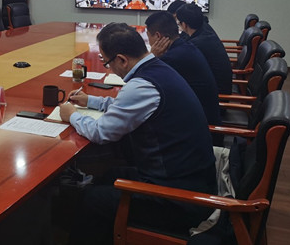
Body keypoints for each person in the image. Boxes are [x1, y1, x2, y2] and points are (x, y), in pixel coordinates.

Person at [58, 23, 216, 244]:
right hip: (190, 178)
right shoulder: (157, 68)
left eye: (107, 62)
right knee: (110, 175)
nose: (109, 69)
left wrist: (72, 115)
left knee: (92, 199)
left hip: (180, 200)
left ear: (122, 60)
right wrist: (91, 101)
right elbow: (128, 106)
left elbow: (101, 132)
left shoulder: (142, 85)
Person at [145, 11, 223, 145]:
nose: (149, 42)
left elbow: (143, 81)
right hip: (201, 121)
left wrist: (152, 56)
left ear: (158, 36)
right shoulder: (184, 46)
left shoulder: (172, 58)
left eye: (148, 38)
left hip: (199, 134)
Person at [176, 3, 233, 94]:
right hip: (217, 87)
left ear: (184, 24)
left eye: (179, 23)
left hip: (216, 94)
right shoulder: (204, 32)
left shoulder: (196, 44)